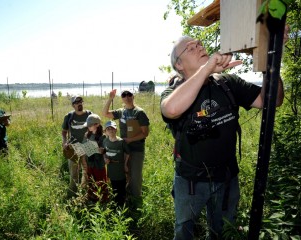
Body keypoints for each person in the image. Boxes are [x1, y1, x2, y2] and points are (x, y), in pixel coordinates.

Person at [160, 36, 285, 239]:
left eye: (199, 43)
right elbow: (172, 109)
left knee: (223, 232)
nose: (199, 47)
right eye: (190, 48)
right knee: (184, 231)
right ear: (179, 64)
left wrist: (268, 61)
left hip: (226, 178)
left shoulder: (227, 83)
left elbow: (273, 100)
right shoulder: (173, 91)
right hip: (190, 181)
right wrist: (206, 70)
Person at [102, 89, 150, 209]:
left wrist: (131, 140)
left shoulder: (139, 112)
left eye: (129, 94)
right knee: (126, 172)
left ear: (133, 96)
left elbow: (145, 133)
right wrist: (110, 98)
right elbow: (105, 113)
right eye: (124, 95)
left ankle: (136, 200)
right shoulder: (121, 112)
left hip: (136, 148)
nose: (127, 97)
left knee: (135, 174)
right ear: (122, 98)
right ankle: (126, 197)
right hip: (123, 149)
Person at [62, 95, 92, 194]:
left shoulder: (89, 115)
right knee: (74, 172)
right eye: (76, 102)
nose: (79, 103)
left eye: (81, 101)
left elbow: (96, 128)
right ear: (73, 105)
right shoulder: (69, 116)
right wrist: (64, 142)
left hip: (87, 145)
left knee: (86, 171)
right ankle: (73, 193)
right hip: (74, 146)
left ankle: (85, 192)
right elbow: (64, 132)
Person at [103, 120, 130, 207]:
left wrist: (125, 164)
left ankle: (122, 204)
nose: (111, 130)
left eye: (113, 128)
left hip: (119, 166)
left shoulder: (121, 142)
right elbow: (104, 151)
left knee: (121, 186)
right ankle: (115, 203)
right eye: (108, 129)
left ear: (116, 130)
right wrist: (105, 158)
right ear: (105, 131)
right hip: (111, 167)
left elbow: (127, 153)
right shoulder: (105, 141)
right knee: (113, 185)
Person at [82, 113, 108, 202]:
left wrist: (102, 150)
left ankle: (102, 200)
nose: (88, 127)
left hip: (99, 164)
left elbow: (106, 149)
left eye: (90, 125)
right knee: (91, 182)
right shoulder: (87, 135)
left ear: (97, 125)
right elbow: (84, 146)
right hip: (90, 163)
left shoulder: (103, 136)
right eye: (88, 125)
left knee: (100, 183)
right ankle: (92, 199)